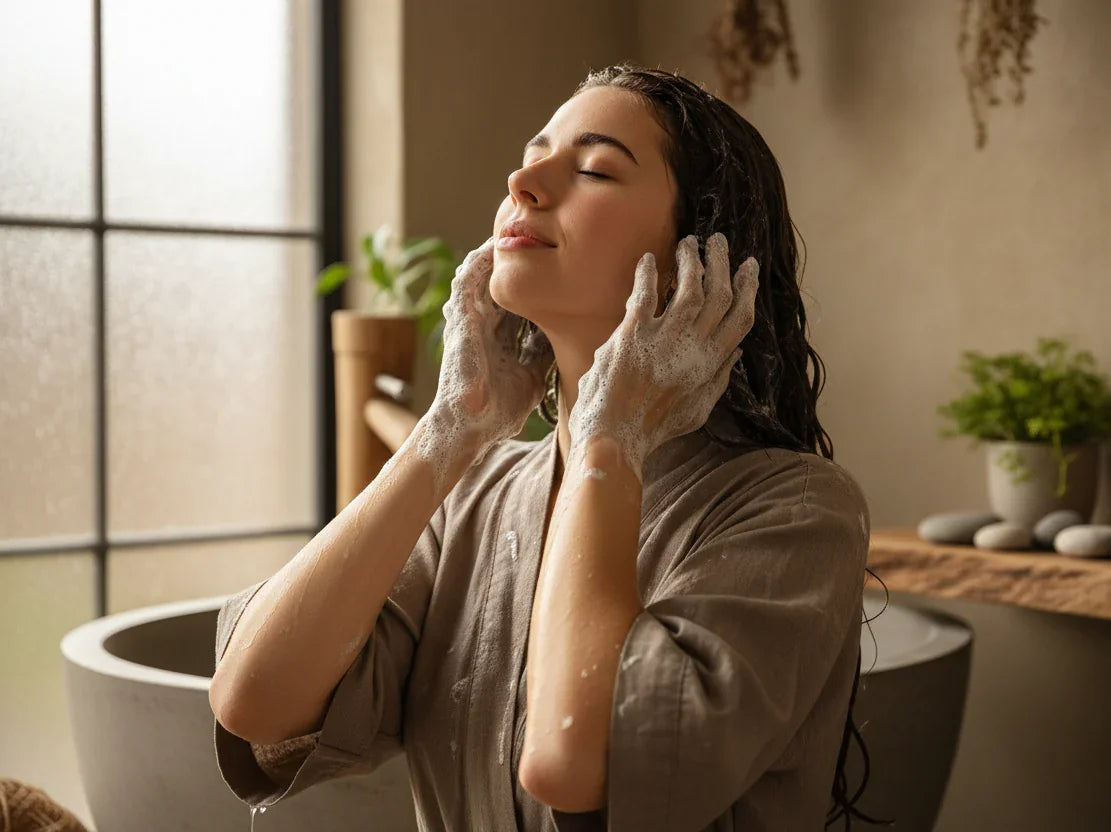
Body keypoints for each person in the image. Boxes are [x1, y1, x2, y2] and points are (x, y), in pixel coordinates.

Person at [209, 62, 884, 831]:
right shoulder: (475, 492)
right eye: (535, 154)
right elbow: (255, 705)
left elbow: (573, 765)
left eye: (594, 168)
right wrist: (450, 426)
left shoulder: (796, 510)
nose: (523, 179)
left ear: (701, 266)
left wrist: (608, 438)